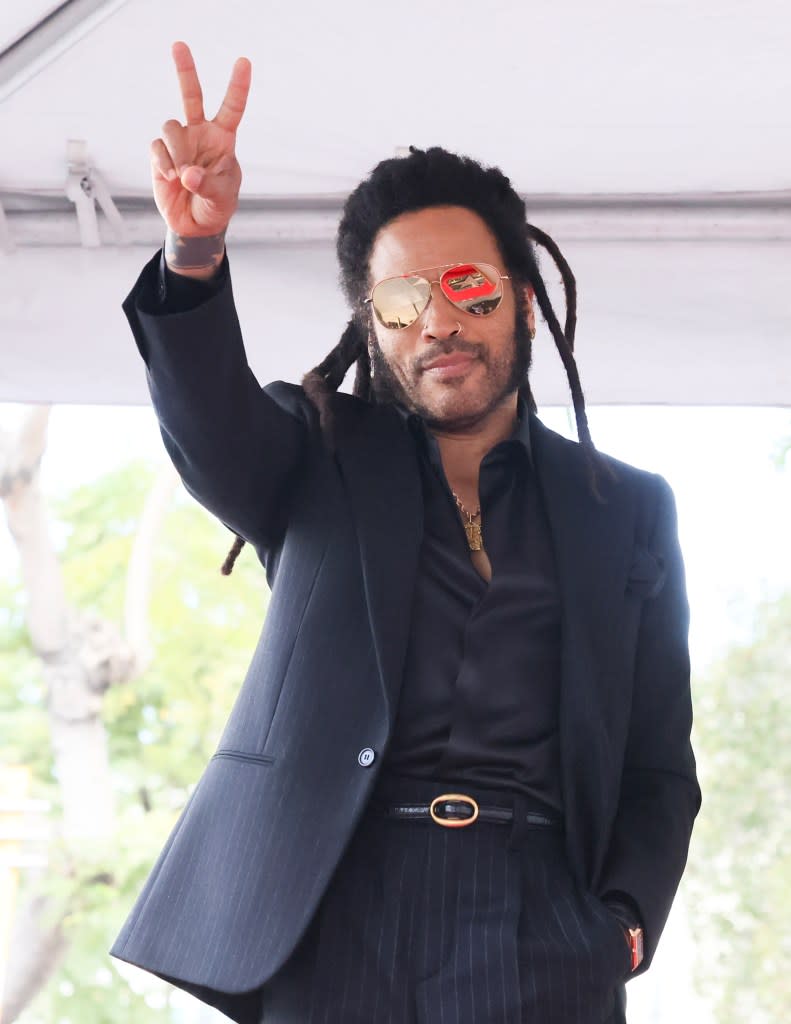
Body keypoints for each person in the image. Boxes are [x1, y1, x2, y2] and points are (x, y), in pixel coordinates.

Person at [111, 40, 701, 1024]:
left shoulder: (625, 508)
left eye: (465, 287)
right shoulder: (315, 454)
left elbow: (656, 763)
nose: (436, 322)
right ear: (373, 327)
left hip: (536, 919)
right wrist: (195, 252)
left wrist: (621, 921)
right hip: (332, 902)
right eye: (399, 301)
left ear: (518, 295)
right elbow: (209, 430)